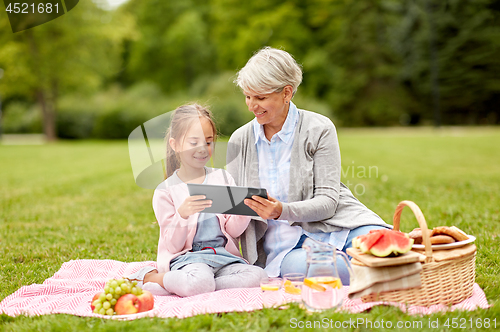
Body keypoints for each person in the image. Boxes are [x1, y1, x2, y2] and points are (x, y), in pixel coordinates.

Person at [226, 47, 390, 285]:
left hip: (339, 225)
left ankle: (398, 269)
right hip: (285, 247)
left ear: (287, 93)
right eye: (247, 96)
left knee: (390, 250)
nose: (252, 106)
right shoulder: (239, 141)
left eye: (260, 98)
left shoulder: (319, 128)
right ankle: (394, 274)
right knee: (339, 269)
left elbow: (328, 202)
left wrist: (282, 210)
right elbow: (235, 208)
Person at [128, 103, 267, 297]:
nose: (202, 149)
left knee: (259, 276)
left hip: (222, 257)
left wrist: (243, 210)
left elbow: (233, 231)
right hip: (188, 260)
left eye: (208, 142)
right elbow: (174, 246)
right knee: (199, 280)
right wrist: (182, 215)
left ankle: (196, 286)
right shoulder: (165, 191)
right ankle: (154, 279)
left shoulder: (223, 178)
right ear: (174, 144)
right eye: (194, 143)